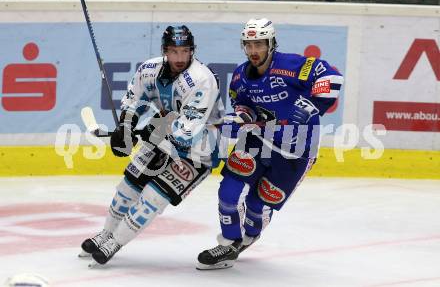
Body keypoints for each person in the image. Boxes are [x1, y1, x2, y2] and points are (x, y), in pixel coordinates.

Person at [197, 18, 344, 270]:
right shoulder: (240, 77)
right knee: (228, 192)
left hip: (296, 150)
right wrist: (239, 118)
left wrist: (312, 106)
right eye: (249, 45)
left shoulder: (293, 65)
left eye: (260, 44)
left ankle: (250, 234)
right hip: (257, 139)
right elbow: (245, 108)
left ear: (271, 43)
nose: (254, 51)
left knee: (257, 203)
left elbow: (334, 77)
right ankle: (229, 242)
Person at [79, 25, 224, 266]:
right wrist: (126, 127)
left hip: (199, 150)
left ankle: (115, 242)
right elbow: (134, 99)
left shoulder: (202, 79)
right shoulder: (150, 69)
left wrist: (149, 129)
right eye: (174, 51)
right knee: (128, 187)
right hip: (162, 135)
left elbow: (187, 130)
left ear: (192, 51)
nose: (180, 58)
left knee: (152, 197)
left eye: (185, 51)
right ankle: (105, 233)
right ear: (165, 51)